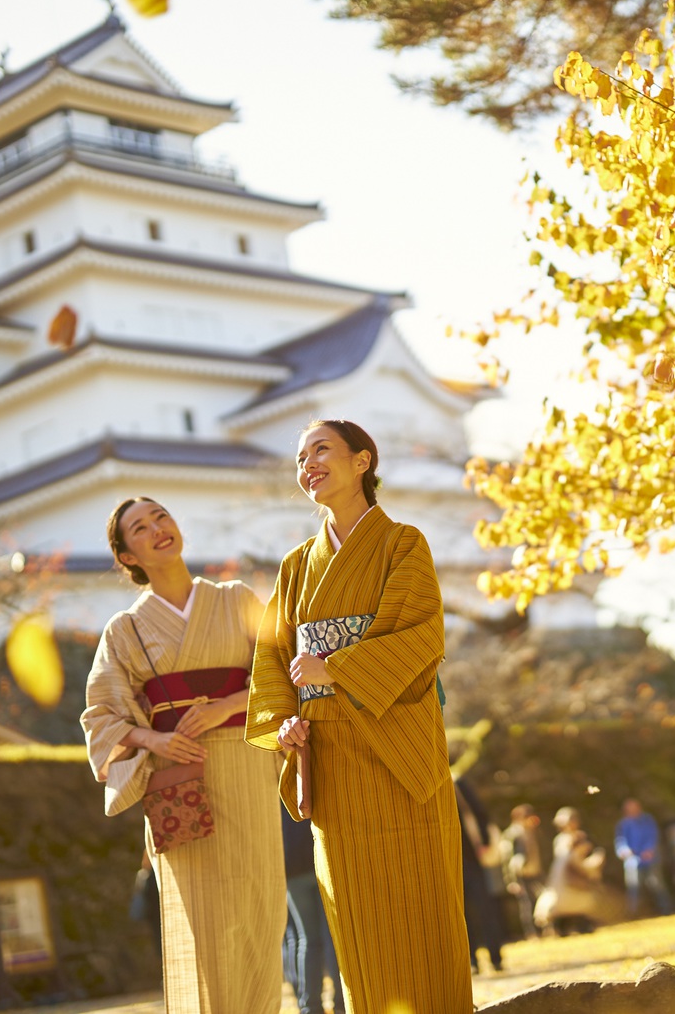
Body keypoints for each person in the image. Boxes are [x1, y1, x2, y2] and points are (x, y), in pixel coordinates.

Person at [247, 420, 471, 1014]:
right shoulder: (296, 568)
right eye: (300, 458)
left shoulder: (403, 544)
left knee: (421, 902)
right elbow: (273, 664)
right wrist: (283, 727)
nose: (307, 465)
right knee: (356, 911)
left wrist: (335, 668)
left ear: (362, 461)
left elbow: (421, 634)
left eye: (321, 450)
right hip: (335, 759)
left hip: (399, 749)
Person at [82, 497, 285, 1014]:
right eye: (140, 528)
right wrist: (154, 741)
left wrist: (230, 705)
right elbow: (99, 716)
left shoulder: (236, 598)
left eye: (161, 517)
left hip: (246, 764)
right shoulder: (123, 631)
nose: (157, 529)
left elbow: (284, 672)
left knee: (261, 909)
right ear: (127, 556)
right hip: (179, 780)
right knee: (205, 922)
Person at [282, 814, 342, 1014]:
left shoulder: (277, 786)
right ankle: (341, 1003)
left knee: (307, 939)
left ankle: (310, 1006)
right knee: (333, 937)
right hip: (320, 858)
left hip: (292, 867)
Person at [455, 776, 505, 973]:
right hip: (452, 861)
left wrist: (484, 842)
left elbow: (478, 813)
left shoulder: (457, 783)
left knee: (485, 909)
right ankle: (472, 960)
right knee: (461, 915)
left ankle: (495, 957)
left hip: (472, 859)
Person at [534, 807, 607, 935]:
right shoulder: (560, 840)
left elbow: (583, 856)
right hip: (563, 875)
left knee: (580, 901)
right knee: (562, 902)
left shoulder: (581, 836)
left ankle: (583, 925)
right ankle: (560, 928)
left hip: (577, 874)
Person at [613, 798, 672, 918]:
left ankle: (666, 909)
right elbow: (620, 841)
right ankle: (634, 914)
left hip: (650, 858)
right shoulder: (623, 824)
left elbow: (653, 836)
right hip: (632, 861)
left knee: (657, 884)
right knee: (634, 887)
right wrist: (624, 851)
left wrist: (649, 850)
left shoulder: (647, 820)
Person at [501, 804, 546, 939]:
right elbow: (507, 859)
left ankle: (546, 929)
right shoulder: (512, 835)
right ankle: (531, 933)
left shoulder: (533, 831)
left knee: (543, 899)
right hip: (521, 874)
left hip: (536, 870)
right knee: (527, 904)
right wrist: (511, 880)